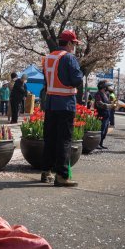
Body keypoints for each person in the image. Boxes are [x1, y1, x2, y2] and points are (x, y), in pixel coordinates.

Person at [40, 30, 84, 187]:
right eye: (75, 44)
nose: (75, 47)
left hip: (51, 103)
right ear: (70, 43)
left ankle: (46, 171)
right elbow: (76, 80)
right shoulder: (69, 58)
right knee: (64, 140)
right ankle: (62, 176)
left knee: (50, 138)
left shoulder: (48, 58)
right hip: (66, 104)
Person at [94, 81, 111, 150]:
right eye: (107, 86)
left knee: (105, 131)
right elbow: (99, 103)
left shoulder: (106, 94)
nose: (108, 88)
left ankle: (101, 144)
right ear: (103, 87)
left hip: (106, 115)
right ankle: (97, 144)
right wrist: (110, 105)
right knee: (101, 130)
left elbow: (108, 103)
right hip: (101, 115)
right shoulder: (98, 94)